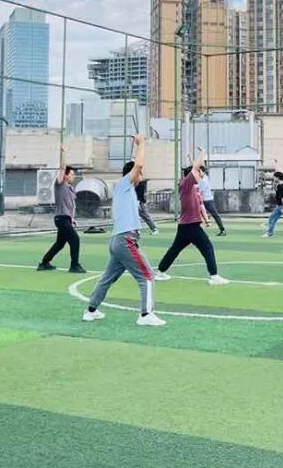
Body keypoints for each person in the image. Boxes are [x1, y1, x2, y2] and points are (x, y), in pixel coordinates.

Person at [83, 135, 165, 326]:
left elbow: (137, 168)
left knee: (107, 279)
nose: (141, 177)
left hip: (120, 241)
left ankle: (90, 311)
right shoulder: (123, 185)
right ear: (133, 174)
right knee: (147, 276)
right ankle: (146, 315)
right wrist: (141, 144)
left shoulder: (127, 191)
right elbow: (139, 165)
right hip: (125, 240)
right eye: (140, 174)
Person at [156, 150, 228, 285]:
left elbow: (201, 206)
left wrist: (206, 220)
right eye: (199, 173)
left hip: (186, 226)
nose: (201, 174)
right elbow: (195, 168)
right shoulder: (186, 184)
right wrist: (202, 153)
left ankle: (160, 272)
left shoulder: (194, 189)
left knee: (175, 249)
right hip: (190, 226)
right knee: (207, 247)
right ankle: (214, 276)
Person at [37, 147, 85, 273]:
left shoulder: (71, 189)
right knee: (75, 239)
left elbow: (71, 205)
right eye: (71, 174)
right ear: (66, 175)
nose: (73, 176)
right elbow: (63, 167)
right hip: (61, 219)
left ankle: (44, 263)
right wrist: (63, 153)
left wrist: (72, 218)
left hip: (66, 219)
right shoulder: (60, 184)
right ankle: (74, 265)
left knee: (60, 244)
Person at [198, 165, 226, 237]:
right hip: (205, 200)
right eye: (198, 171)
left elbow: (199, 191)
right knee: (198, 215)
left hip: (207, 200)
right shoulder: (204, 178)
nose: (199, 173)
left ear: (203, 172)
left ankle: (222, 230)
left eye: (200, 171)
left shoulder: (204, 180)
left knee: (215, 215)